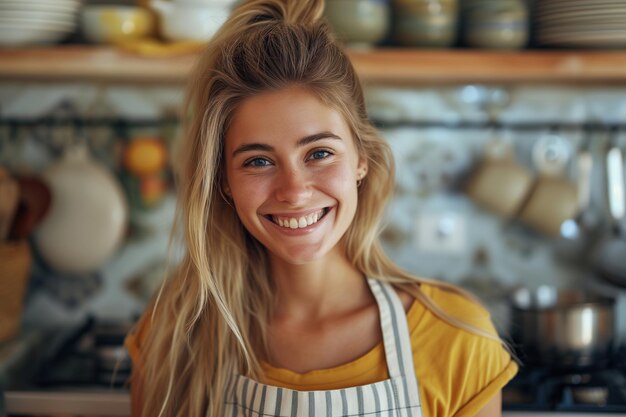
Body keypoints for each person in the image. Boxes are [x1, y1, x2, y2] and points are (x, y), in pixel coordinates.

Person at [124, 1, 519, 416]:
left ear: (361, 159)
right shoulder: (176, 332)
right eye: (258, 161)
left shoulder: (457, 339)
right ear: (224, 180)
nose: (294, 191)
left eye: (319, 153)